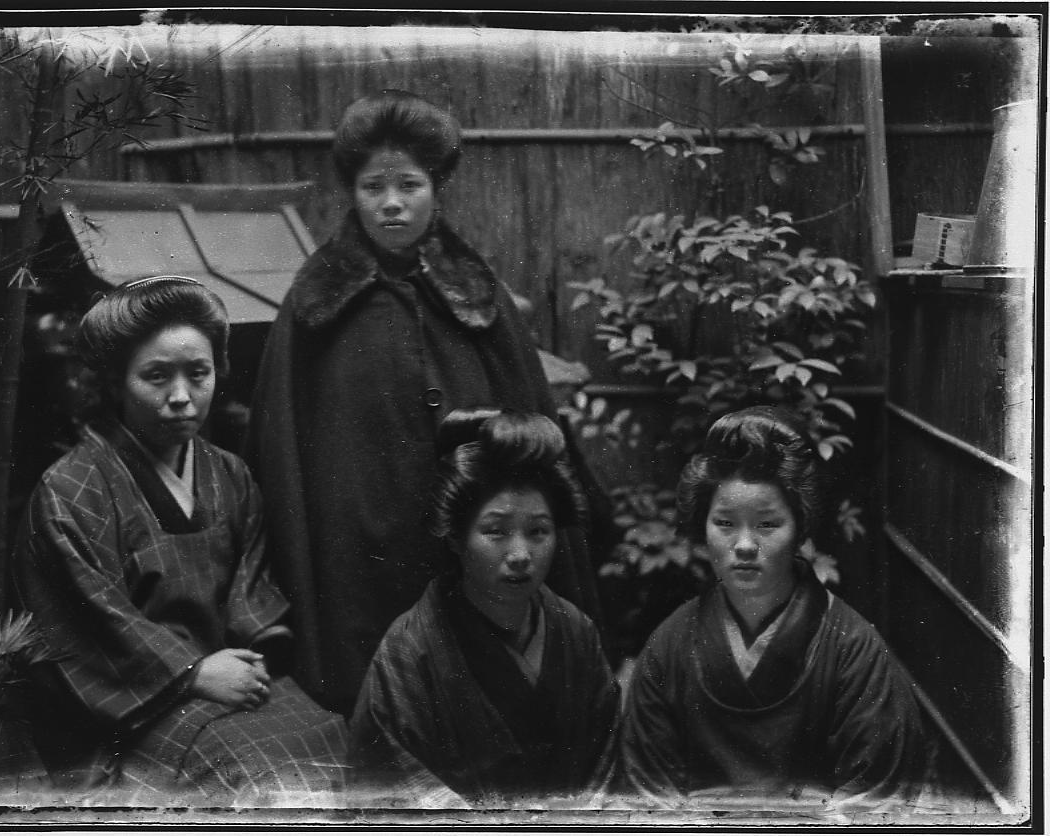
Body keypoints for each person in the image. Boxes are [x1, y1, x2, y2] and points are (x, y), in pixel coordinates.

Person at [244, 89, 600, 716]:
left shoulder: (477, 294)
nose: (391, 202)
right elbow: (281, 453)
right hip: (356, 540)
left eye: (409, 185)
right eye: (372, 187)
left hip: (469, 536)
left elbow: (533, 426)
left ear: (436, 188)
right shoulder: (315, 301)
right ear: (352, 193)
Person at [12, 276, 348, 806]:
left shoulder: (229, 474)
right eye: (156, 376)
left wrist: (250, 658)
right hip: (126, 713)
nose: (181, 397)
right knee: (259, 774)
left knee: (335, 738)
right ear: (116, 381)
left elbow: (249, 590)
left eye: (198, 373)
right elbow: (91, 626)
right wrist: (192, 673)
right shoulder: (71, 490)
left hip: (228, 677)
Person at [617, 406, 930, 814]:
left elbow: (876, 797)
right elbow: (647, 794)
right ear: (702, 525)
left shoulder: (852, 647)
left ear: (800, 527)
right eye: (725, 523)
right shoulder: (669, 645)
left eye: (767, 525)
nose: (745, 545)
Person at [346, 409, 619, 808]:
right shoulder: (411, 648)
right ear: (456, 538)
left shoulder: (576, 630)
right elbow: (392, 783)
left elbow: (605, 764)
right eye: (496, 531)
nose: (521, 554)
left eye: (538, 531)